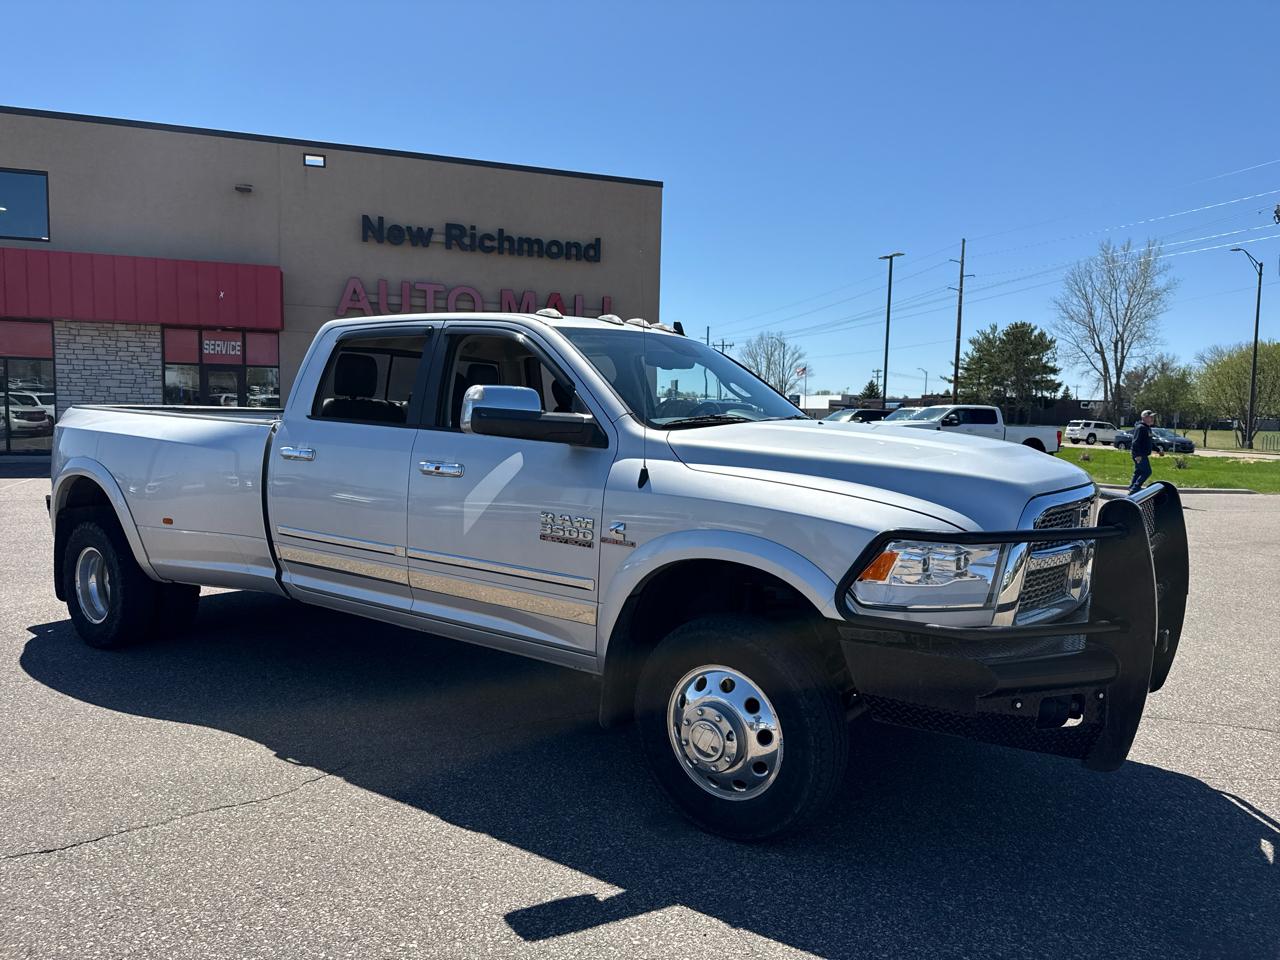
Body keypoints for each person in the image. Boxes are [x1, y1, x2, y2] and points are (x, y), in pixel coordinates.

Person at [1128, 409, 1161, 495]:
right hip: (1140, 454)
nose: (1152, 419)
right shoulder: (1141, 428)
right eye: (1150, 417)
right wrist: (1138, 455)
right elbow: (1135, 442)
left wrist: (1158, 450)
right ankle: (1135, 489)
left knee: (1138, 471)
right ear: (1144, 418)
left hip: (1142, 454)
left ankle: (1132, 488)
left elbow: (1150, 442)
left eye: (1153, 417)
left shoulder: (1147, 428)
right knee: (1147, 471)